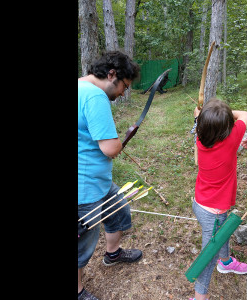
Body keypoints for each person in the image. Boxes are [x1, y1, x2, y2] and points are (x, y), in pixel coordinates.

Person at [78, 51, 143, 300]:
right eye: (124, 86)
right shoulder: (94, 96)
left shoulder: (80, 86)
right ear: (111, 74)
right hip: (86, 187)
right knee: (82, 243)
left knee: (118, 208)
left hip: (97, 181)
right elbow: (110, 148)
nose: (123, 93)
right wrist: (119, 142)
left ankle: (113, 253)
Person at [189, 98, 247, 300]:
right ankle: (199, 297)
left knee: (222, 232)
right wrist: (227, 114)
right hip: (213, 212)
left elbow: (199, 119)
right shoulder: (232, 139)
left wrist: (202, 115)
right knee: (207, 258)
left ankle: (226, 261)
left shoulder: (199, 135)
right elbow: (245, 115)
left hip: (200, 203)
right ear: (227, 129)